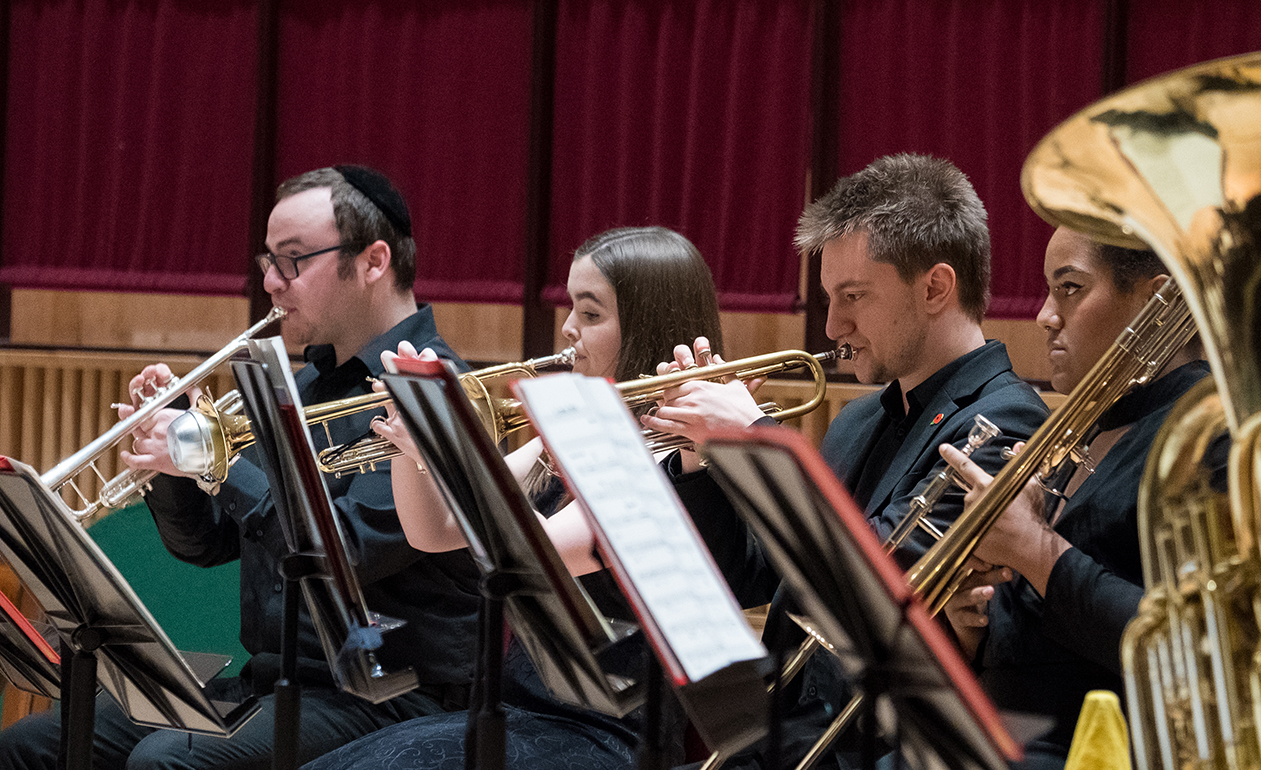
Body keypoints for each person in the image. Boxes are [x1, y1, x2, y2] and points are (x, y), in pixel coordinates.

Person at [0, 166, 481, 770]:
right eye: (268, 263)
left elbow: (348, 551)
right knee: (31, 746)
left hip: (390, 693)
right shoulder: (299, 386)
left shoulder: (436, 389)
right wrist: (174, 472)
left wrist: (213, 458)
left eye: (294, 260)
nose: (273, 284)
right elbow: (207, 544)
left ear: (373, 261)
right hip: (271, 682)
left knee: (166, 761)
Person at [643, 153, 1052, 770]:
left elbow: (878, 583)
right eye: (831, 297)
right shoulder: (861, 418)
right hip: (772, 735)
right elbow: (750, 575)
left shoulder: (1008, 423)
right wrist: (706, 460)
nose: (834, 324)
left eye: (853, 296)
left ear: (936, 287)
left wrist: (755, 437)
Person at [303, 225, 728, 770]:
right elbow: (432, 532)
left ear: (649, 326)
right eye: (572, 307)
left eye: (592, 314)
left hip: (605, 733)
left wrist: (446, 449)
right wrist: (408, 440)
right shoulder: (568, 438)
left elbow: (532, 556)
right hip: (519, 712)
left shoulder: (671, 455)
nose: (569, 328)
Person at [938, 226, 1212, 770]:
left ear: (1157, 302)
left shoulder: (1203, 436)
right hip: (1004, 740)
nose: (1044, 315)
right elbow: (1043, 625)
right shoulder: (1085, 424)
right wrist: (972, 619)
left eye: (1070, 288)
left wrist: (1033, 549)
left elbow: (1196, 653)